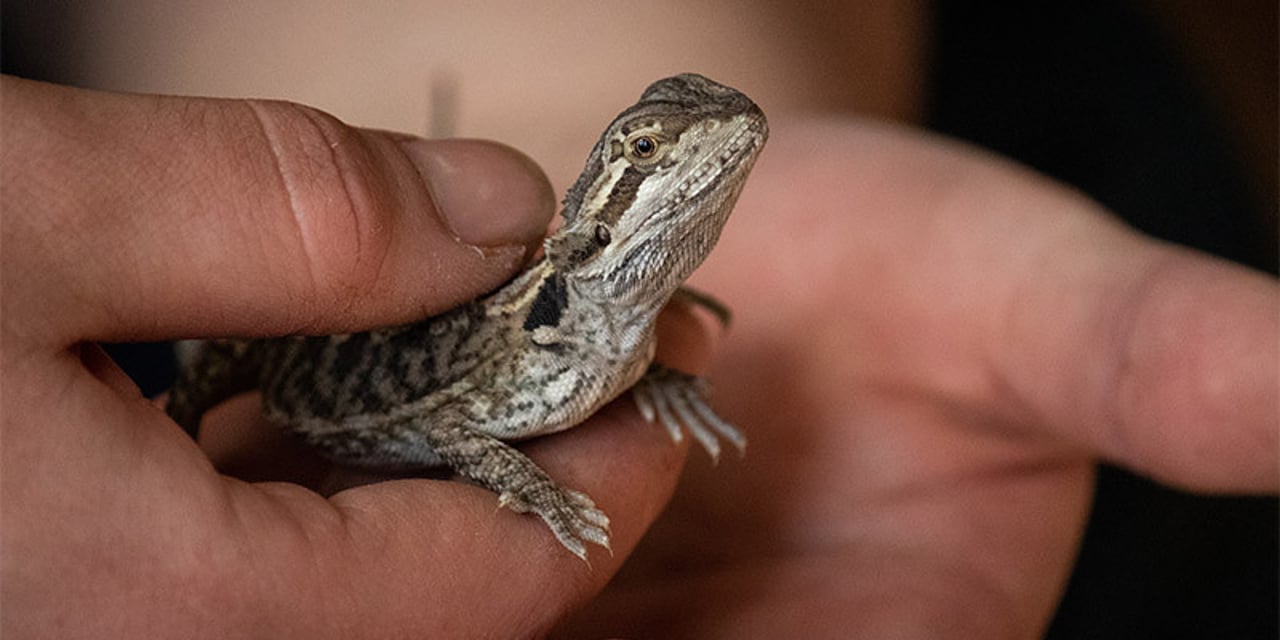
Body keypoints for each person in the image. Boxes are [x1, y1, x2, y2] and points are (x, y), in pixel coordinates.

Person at [3, 75, 1275, 638]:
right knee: (233, 349)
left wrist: (648, 373)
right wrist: (530, 485)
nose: (707, 148)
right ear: (607, 205)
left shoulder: (612, 328)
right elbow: (456, 425)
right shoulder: (530, 347)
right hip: (298, 376)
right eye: (657, 154)